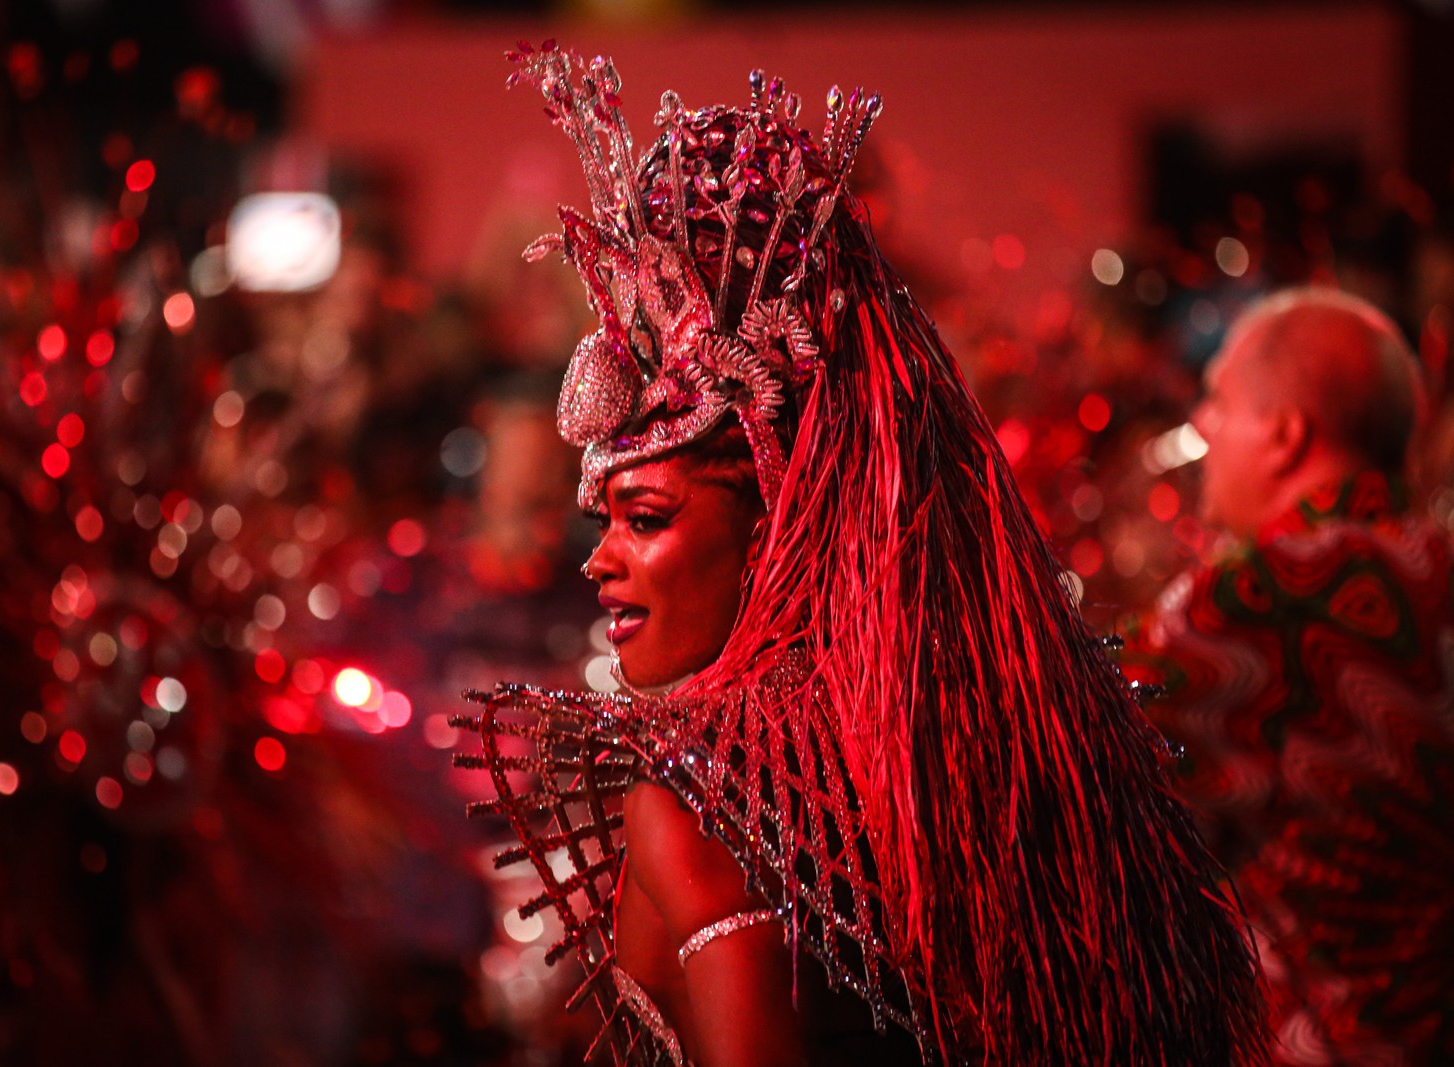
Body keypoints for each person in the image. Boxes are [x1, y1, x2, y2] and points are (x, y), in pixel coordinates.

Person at [461, 42, 1269, 1066]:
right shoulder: (967, 744)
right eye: (601, 520)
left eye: (647, 517)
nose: (600, 559)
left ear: (774, 529)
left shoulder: (694, 797)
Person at [1122, 288, 1454, 1065]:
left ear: (1285, 433)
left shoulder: (1253, 602)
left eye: (1220, 399)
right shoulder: (1439, 569)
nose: (1202, 424)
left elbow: (1076, 788)